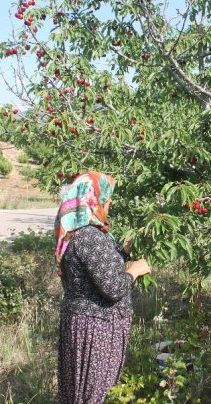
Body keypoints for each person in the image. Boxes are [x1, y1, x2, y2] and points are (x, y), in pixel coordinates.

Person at [54, 171, 151, 404]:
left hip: (82, 322)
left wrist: (125, 251)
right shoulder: (89, 236)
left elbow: (97, 266)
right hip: (96, 328)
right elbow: (113, 287)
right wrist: (134, 270)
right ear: (93, 200)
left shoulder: (74, 231)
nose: (109, 204)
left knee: (80, 392)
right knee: (95, 393)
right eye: (106, 199)